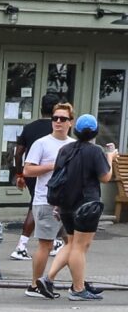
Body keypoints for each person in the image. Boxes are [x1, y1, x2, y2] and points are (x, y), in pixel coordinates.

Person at [39, 113, 116, 301]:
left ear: (76, 130)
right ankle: (78, 289)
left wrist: (57, 205)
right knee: (79, 247)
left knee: (72, 244)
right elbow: (105, 177)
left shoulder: (65, 149)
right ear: (95, 132)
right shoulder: (95, 151)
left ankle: (48, 279)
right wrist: (110, 158)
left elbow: (58, 176)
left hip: (66, 203)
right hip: (87, 204)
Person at [24, 103, 77, 300]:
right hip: (46, 200)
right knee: (46, 244)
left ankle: (78, 284)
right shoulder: (42, 143)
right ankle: (34, 285)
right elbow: (28, 170)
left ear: (71, 122)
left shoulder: (74, 144)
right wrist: (52, 166)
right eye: (55, 118)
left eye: (63, 119)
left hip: (68, 202)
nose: (58, 122)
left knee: (73, 244)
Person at [9, 97, 64, 262]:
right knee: (52, 204)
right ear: (55, 110)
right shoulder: (57, 128)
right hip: (51, 173)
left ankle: (55, 241)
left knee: (41, 204)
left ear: (40, 108)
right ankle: (21, 246)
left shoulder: (29, 127)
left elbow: (18, 153)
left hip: (32, 171)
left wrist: (20, 174)